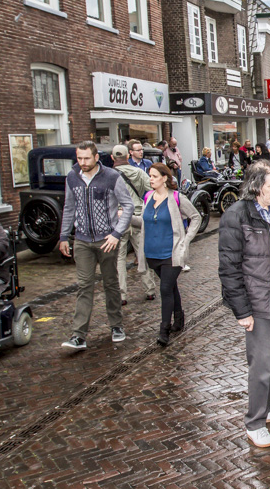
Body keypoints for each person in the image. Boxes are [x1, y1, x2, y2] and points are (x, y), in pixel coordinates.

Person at [218, 160, 270, 448]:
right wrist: (242, 310)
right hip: (256, 297)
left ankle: (268, 406)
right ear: (255, 186)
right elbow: (229, 268)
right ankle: (254, 422)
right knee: (262, 362)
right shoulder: (236, 216)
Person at [59, 141, 134, 350]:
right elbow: (69, 207)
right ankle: (78, 335)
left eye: (86, 158)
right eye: (79, 158)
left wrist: (116, 234)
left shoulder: (112, 177)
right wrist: (64, 236)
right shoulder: (72, 177)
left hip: (106, 240)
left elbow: (127, 206)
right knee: (84, 286)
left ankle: (116, 325)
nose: (82, 162)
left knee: (110, 283)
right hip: (82, 240)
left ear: (96, 158)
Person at [133, 163, 201, 345]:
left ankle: (164, 330)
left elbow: (196, 217)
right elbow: (144, 221)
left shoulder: (177, 198)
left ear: (164, 178)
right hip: (151, 253)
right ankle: (179, 318)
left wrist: (186, 241)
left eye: (154, 176)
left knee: (164, 289)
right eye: (150, 176)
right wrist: (126, 218)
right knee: (170, 287)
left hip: (172, 254)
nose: (151, 179)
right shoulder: (148, 197)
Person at [113, 145, 156, 306]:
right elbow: (151, 190)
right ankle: (149, 290)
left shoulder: (110, 175)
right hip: (137, 217)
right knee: (142, 254)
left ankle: (122, 294)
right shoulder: (138, 173)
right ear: (127, 156)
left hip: (118, 219)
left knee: (119, 258)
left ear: (112, 158)